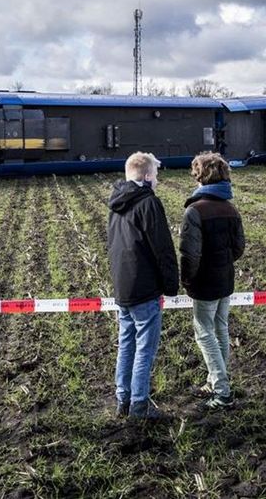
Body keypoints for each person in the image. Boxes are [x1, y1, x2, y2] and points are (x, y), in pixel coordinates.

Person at [107, 152, 179, 420]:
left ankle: (122, 400)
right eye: (156, 176)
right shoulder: (149, 203)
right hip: (145, 287)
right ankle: (139, 406)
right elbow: (162, 248)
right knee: (144, 349)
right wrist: (171, 284)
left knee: (126, 344)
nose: (158, 180)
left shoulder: (116, 204)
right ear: (147, 176)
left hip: (123, 287)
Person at [179, 153, 245, 410]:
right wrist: (223, 263)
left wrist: (187, 280)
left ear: (199, 176)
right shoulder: (230, 209)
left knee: (204, 334)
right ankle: (215, 380)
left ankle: (222, 391)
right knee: (221, 329)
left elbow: (189, 253)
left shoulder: (194, 210)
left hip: (204, 284)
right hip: (225, 279)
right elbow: (239, 247)